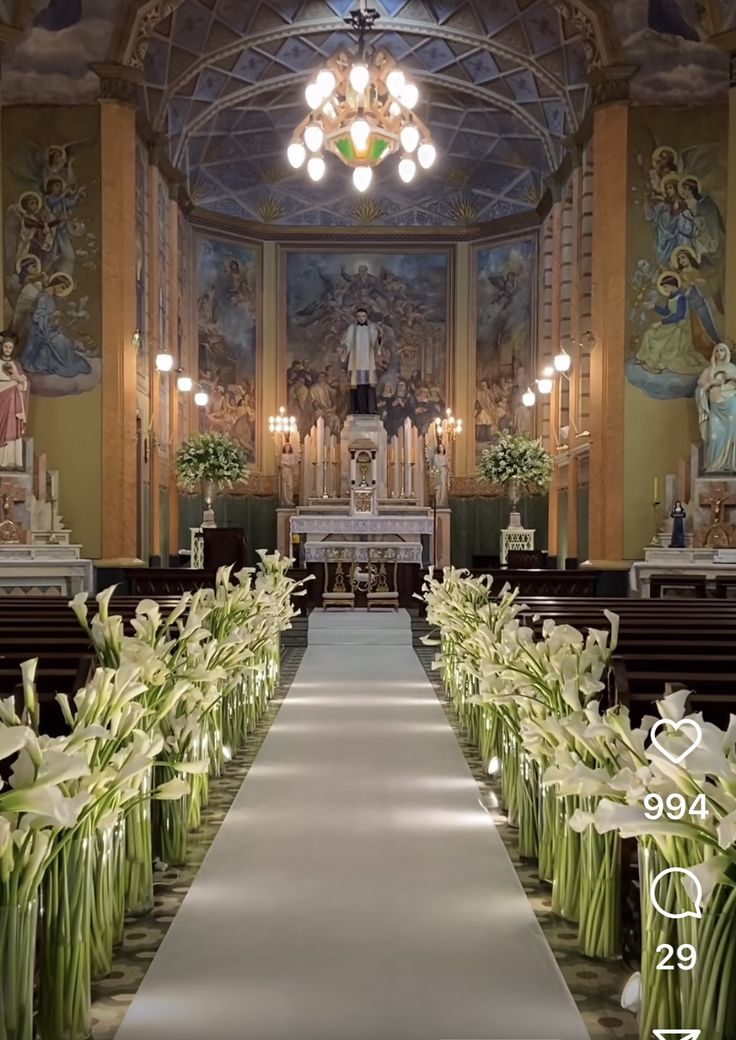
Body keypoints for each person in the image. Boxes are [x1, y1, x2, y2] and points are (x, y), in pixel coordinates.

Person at [635, 272, 705, 374]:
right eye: (663, 288)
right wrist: (654, 306)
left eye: (666, 287)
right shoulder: (671, 297)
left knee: (658, 340)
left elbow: (679, 315)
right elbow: (667, 312)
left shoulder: (681, 298)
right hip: (670, 324)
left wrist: (661, 322)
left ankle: (655, 365)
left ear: (673, 285)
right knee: (649, 333)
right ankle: (643, 358)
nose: (665, 290)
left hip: (678, 326)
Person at [695, 342, 736, 473]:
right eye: (717, 351)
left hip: (730, 405)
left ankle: (730, 464)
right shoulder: (708, 370)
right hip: (715, 406)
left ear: (726, 353)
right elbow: (699, 389)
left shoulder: (732, 368)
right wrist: (710, 384)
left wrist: (731, 378)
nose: (719, 353)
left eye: (722, 350)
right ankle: (715, 465)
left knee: (731, 434)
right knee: (714, 435)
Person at [339, 307, 383, 415]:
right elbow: (347, 343)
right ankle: (358, 409)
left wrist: (380, 335)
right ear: (356, 317)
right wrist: (343, 349)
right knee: (357, 386)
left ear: (366, 317)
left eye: (363, 316)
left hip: (367, 361)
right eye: (359, 316)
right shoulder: (352, 328)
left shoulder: (372, 327)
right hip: (356, 361)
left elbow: (376, 343)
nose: (361, 318)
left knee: (369, 385)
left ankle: (370, 409)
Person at [0, 331, 28, 470]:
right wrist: (11, 380)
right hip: (2, 399)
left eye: (10, 347)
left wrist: (21, 380)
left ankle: (12, 461)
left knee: (12, 426)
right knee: (2, 427)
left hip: (13, 399)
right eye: (6, 347)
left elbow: (23, 383)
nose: (8, 350)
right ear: (1, 347)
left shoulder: (15, 364)